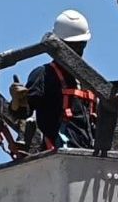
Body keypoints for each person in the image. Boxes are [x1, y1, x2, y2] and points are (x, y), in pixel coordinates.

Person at [9, 10, 97, 151]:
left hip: (88, 155)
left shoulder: (90, 80)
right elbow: (21, 113)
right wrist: (17, 100)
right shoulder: (44, 75)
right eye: (72, 46)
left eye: (81, 45)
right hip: (58, 154)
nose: (77, 51)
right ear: (59, 44)